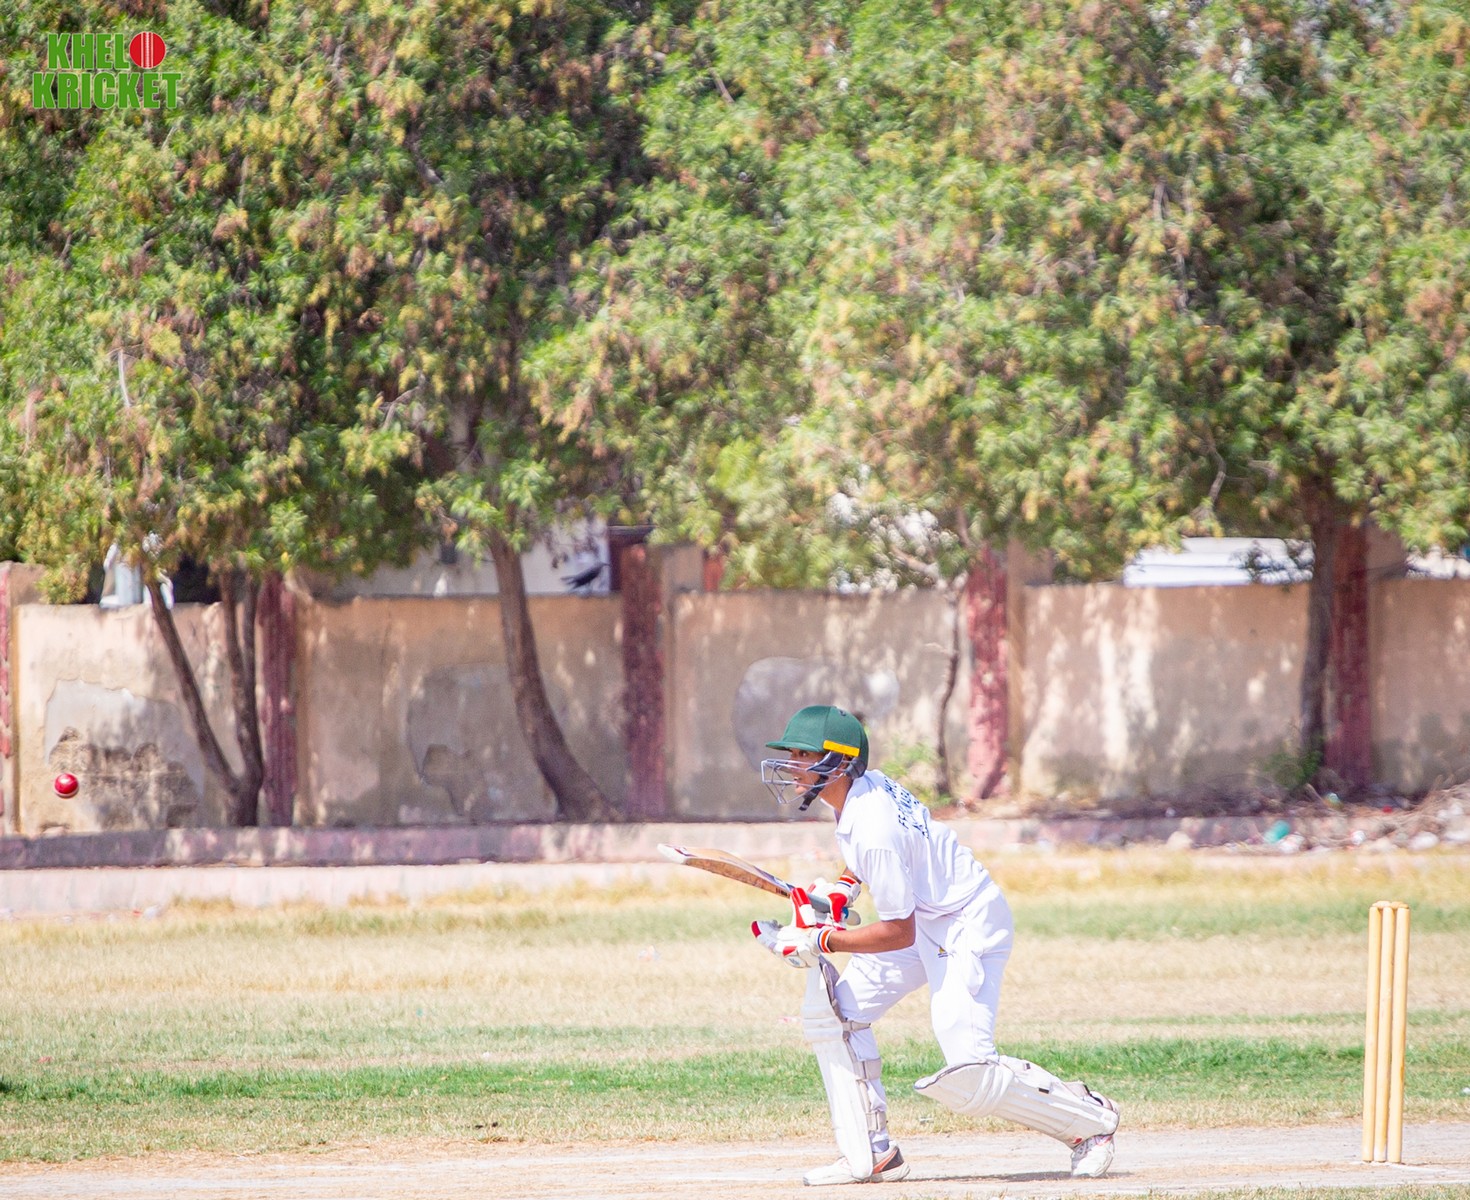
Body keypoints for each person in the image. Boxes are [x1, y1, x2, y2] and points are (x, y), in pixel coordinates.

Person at [753, 704, 1119, 1186]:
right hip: (927, 916)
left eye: (804, 754)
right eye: (792, 754)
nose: (793, 764)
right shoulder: (864, 790)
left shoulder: (873, 826)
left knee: (969, 1069)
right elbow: (874, 866)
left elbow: (897, 932)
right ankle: (872, 1153)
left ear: (840, 761)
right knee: (835, 1015)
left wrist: (824, 939)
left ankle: (1090, 1124)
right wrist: (843, 889)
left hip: (965, 921)